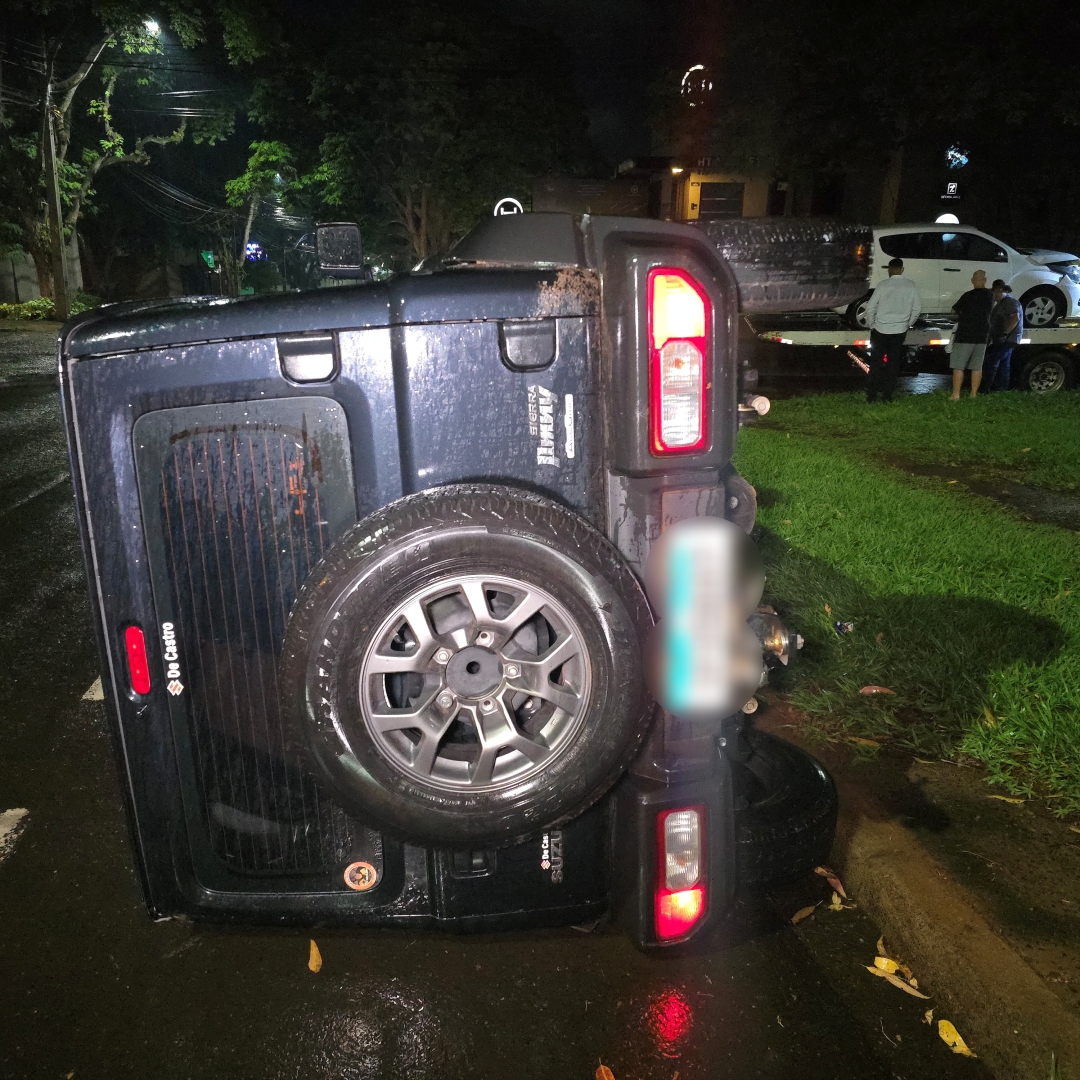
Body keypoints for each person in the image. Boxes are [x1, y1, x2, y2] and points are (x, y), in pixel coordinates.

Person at [863, 257, 920, 402]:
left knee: (875, 363)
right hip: (899, 330)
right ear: (902, 269)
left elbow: (870, 307)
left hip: (880, 329)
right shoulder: (911, 286)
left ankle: (871, 396)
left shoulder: (883, 285)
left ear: (889, 269)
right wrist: (908, 323)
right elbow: (917, 309)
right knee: (893, 364)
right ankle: (887, 396)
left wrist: (871, 324)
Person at [948, 269, 994, 399]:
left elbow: (953, 311)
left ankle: (955, 394)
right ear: (985, 280)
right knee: (976, 367)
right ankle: (973, 394)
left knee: (958, 366)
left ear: (972, 280)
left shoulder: (967, 296)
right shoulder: (990, 296)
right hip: (982, 336)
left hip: (965, 335)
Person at [983, 279, 1022, 391]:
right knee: (1004, 364)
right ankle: (1000, 388)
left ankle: (986, 388)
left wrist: (1005, 333)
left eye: (995, 292)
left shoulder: (1010, 302)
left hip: (1007, 339)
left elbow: (1015, 318)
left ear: (1000, 291)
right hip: (1004, 339)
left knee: (992, 362)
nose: (994, 295)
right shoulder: (1001, 304)